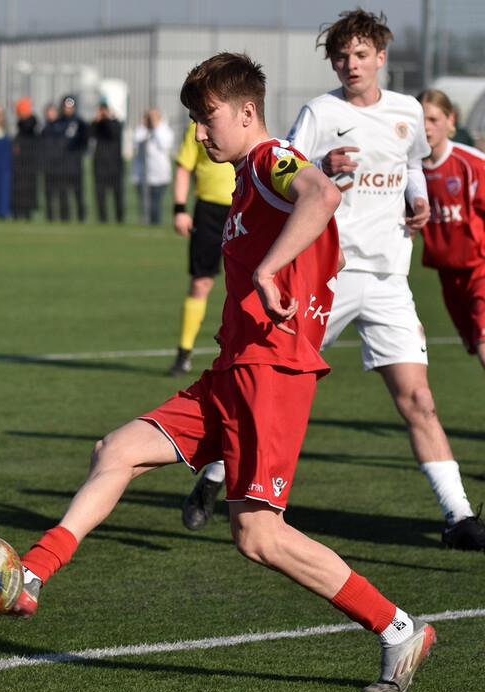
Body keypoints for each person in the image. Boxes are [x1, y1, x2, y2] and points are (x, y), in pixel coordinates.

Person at [10, 51, 436, 692]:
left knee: (259, 535)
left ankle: (398, 629)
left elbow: (319, 193)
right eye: (192, 120)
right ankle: (34, 574)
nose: (200, 133)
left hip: (273, 371)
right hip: (233, 371)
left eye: (207, 119)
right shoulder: (244, 176)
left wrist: (268, 272)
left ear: (246, 111)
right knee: (117, 448)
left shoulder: (271, 160)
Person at [182, 9, 485, 551]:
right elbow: (285, 169)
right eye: (342, 55)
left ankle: (458, 516)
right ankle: (214, 471)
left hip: (389, 276)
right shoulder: (319, 112)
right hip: (327, 279)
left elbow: (413, 163)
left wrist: (417, 197)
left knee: (417, 399)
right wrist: (321, 159)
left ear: (381, 58)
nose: (351, 64)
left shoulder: (407, 112)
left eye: (361, 54)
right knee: (264, 388)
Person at [417, 90, 485, 377]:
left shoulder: (471, 164)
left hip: (480, 270)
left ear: (450, 120)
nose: (426, 127)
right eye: (420, 119)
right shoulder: (410, 170)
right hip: (448, 276)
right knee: (476, 344)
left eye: (433, 119)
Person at [167, 121, 236, 378]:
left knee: (247, 284)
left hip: (242, 209)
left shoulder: (241, 119)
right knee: (200, 282)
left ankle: (245, 353)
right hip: (208, 212)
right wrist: (179, 208)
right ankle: (184, 352)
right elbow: (184, 167)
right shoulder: (197, 127)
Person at [44, 95, 87, 222]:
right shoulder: (57, 123)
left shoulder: (80, 123)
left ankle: (81, 218)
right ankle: (64, 218)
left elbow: (84, 141)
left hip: (75, 165)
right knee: (62, 194)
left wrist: (77, 154)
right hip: (61, 165)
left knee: (78, 193)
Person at [131, 107, 175, 224]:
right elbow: (136, 142)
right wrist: (143, 125)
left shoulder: (165, 131)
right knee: (145, 203)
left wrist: (155, 126)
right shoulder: (142, 130)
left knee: (156, 203)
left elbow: (164, 144)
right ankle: (146, 222)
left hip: (159, 174)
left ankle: (156, 223)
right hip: (143, 175)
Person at [90, 101, 125, 224]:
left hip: (115, 166)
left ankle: (120, 219)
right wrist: (96, 120)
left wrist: (109, 118)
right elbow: (88, 135)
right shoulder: (97, 125)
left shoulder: (115, 123)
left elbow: (114, 132)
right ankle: (102, 219)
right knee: (100, 196)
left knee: (118, 196)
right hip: (100, 166)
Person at [11, 97, 39, 220]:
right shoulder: (21, 124)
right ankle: (18, 210)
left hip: (29, 161)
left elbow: (28, 128)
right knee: (19, 186)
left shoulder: (31, 122)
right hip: (21, 162)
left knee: (28, 187)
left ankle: (27, 211)